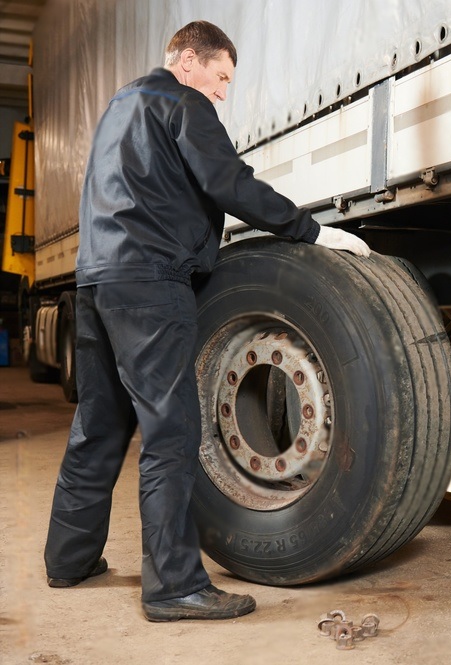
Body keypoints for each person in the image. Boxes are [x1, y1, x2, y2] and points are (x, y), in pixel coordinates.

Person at [43, 20, 368, 622]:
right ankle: (173, 588)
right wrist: (312, 229)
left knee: (99, 424)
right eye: (220, 77)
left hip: (96, 281)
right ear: (187, 61)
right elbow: (228, 183)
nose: (222, 92)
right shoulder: (182, 103)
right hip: (149, 282)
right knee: (170, 434)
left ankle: (68, 559)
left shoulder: (119, 107)